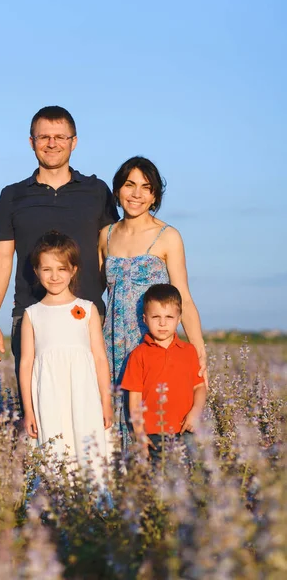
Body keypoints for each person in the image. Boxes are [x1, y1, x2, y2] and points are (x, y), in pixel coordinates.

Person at [0, 106, 119, 416]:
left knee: (92, 411)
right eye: (44, 137)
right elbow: (1, 259)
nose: (52, 143)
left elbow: (111, 254)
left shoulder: (97, 192)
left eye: (60, 137)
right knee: (37, 411)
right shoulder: (12, 196)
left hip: (87, 315)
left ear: (74, 141)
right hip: (30, 315)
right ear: (31, 142)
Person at [98, 156, 206, 449]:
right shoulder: (105, 235)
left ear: (155, 194)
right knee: (111, 422)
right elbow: (95, 295)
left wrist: (198, 349)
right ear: (118, 189)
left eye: (146, 187)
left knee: (157, 422)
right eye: (129, 185)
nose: (136, 194)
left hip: (153, 342)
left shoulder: (168, 236)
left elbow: (182, 294)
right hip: (111, 344)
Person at [19, 231, 113, 480]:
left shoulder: (88, 308)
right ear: (37, 272)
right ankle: (54, 501)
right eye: (46, 269)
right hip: (48, 394)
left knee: (86, 440)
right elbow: (26, 363)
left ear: (73, 270)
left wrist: (106, 401)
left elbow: (100, 359)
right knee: (53, 443)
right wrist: (28, 410)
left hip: (83, 392)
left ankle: (92, 504)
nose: (54, 276)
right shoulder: (32, 314)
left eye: (61, 269)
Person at [121, 284, 206, 462]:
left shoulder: (189, 351)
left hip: (186, 429)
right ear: (145, 319)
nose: (162, 323)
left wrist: (196, 412)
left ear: (179, 318)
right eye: (156, 317)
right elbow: (134, 399)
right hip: (153, 434)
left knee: (189, 482)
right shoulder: (138, 355)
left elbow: (199, 387)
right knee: (158, 484)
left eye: (169, 317)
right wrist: (139, 434)